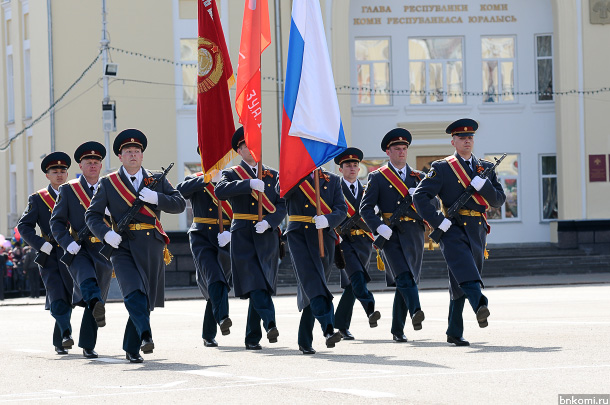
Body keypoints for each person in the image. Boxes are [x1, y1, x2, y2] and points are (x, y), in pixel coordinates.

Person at [85, 129, 186, 363]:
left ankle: (132, 348)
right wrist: (106, 234)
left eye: (137, 151)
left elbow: (179, 204)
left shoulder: (156, 179)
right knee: (133, 292)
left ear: (142, 155)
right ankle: (146, 335)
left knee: (145, 297)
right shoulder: (109, 183)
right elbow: (92, 215)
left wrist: (157, 198)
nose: (133, 154)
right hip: (122, 245)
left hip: (151, 245)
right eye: (128, 151)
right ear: (120, 157)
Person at [413, 118, 506, 346]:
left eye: (470, 137)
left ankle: (454, 331)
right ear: (453, 141)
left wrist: (484, 186)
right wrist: (437, 221)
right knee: (466, 270)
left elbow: (498, 200)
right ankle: (480, 304)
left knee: (459, 280)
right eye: (462, 138)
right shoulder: (443, 167)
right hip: (452, 228)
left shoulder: (485, 168)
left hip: (477, 229)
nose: (467, 141)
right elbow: (420, 196)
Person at [215, 127, 286, 351]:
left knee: (262, 283)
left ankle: (252, 338)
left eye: (255, 144)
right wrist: (248, 184)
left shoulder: (272, 174)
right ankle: (270, 323)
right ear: (239, 150)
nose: (252, 148)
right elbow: (220, 191)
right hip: (243, 234)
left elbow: (282, 204)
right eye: (247, 145)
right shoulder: (232, 174)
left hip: (266, 235)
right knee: (255, 281)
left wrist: (271, 221)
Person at [360, 128, 427, 343]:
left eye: (404, 148)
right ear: (388, 152)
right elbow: (365, 208)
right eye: (397, 149)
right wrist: (378, 227)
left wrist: (419, 198)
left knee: (406, 280)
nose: (401, 152)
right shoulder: (377, 177)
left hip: (414, 234)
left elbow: (433, 204)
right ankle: (416, 310)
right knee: (404, 276)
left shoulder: (419, 177)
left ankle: (397, 329)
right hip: (390, 234)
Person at [50, 141, 113, 359]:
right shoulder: (69, 190)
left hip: (103, 248)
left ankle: (88, 345)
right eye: (88, 162)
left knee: (97, 298)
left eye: (96, 162)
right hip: (79, 247)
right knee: (88, 282)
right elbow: (56, 222)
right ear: (81, 165)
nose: (93, 165)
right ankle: (92, 303)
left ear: (101, 165)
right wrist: (67, 243)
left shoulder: (112, 187)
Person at [17, 151, 80, 354]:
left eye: (63, 171)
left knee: (68, 296)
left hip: (73, 252)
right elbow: (24, 226)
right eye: (55, 171)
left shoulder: (77, 194)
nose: (59, 175)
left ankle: (60, 339)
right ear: (47, 175)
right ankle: (66, 334)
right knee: (56, 294)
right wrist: (40, 244)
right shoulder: (38, 199)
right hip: (50, 253)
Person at [281, 166, 346, 355]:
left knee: (315, 287)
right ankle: (328, 328)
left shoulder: (332, 179)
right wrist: (294, 173)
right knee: (312, 282)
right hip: (299, 236)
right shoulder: (292, 174)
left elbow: (341, 209)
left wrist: (329, 220)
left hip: (324, 237)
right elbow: (281, 192)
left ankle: (304, 341)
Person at [176, 149, 233, 348]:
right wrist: (207, 179)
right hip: (202, 237)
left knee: (220, 283)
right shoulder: (196, 178)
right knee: (214, 277)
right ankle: (223, 317)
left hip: (226, 237)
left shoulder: (232, 178)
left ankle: (209, 334)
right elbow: (180, 191)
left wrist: (232, 232)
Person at [333, 147, 380, 340]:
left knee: (352, 285)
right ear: (340, 169)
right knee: (357, 276)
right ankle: (370, 308)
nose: (352, 168)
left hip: (363, 241)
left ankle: (341, 326)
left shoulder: (367, 190)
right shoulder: (335, 189)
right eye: (348, 165)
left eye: (355, 165)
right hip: (343, 241)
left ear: (359, 169)